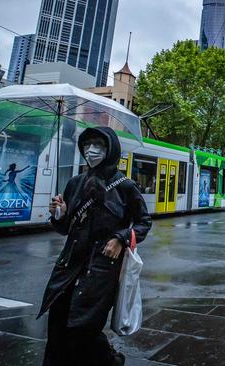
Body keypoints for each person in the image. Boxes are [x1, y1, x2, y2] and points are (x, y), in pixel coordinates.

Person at [38, 127, 152, 366]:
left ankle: (109, 361)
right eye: (87, 144)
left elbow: (143, 222)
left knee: (84, 329)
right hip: (68, 268)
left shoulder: (125, 186)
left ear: (111, 149)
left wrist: (121, 238)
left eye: (98, 145)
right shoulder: (75, 184)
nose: (91, 150)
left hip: (101, 270)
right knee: (58, 326)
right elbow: (65, 228)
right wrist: (59, 215)